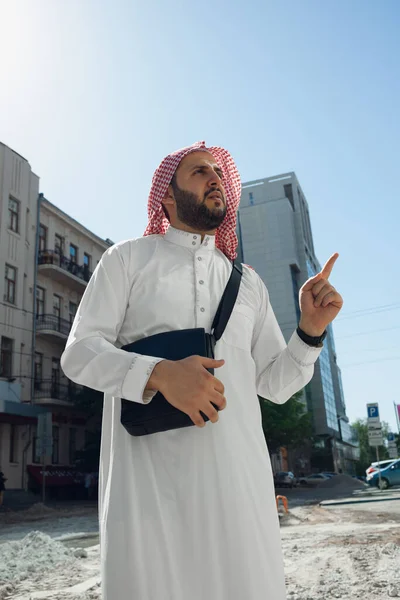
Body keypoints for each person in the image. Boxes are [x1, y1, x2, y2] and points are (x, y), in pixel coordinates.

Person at [61, 141, 343, 600]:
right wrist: (160, 374)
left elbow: (275, 383)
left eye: (218, 171)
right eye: (198, 172)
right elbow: (79, 353)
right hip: (149, 493)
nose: (215, 178)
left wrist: (309, 332)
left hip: (239, 489)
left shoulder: (247, 283)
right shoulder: (127, 260)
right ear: (166, 198)